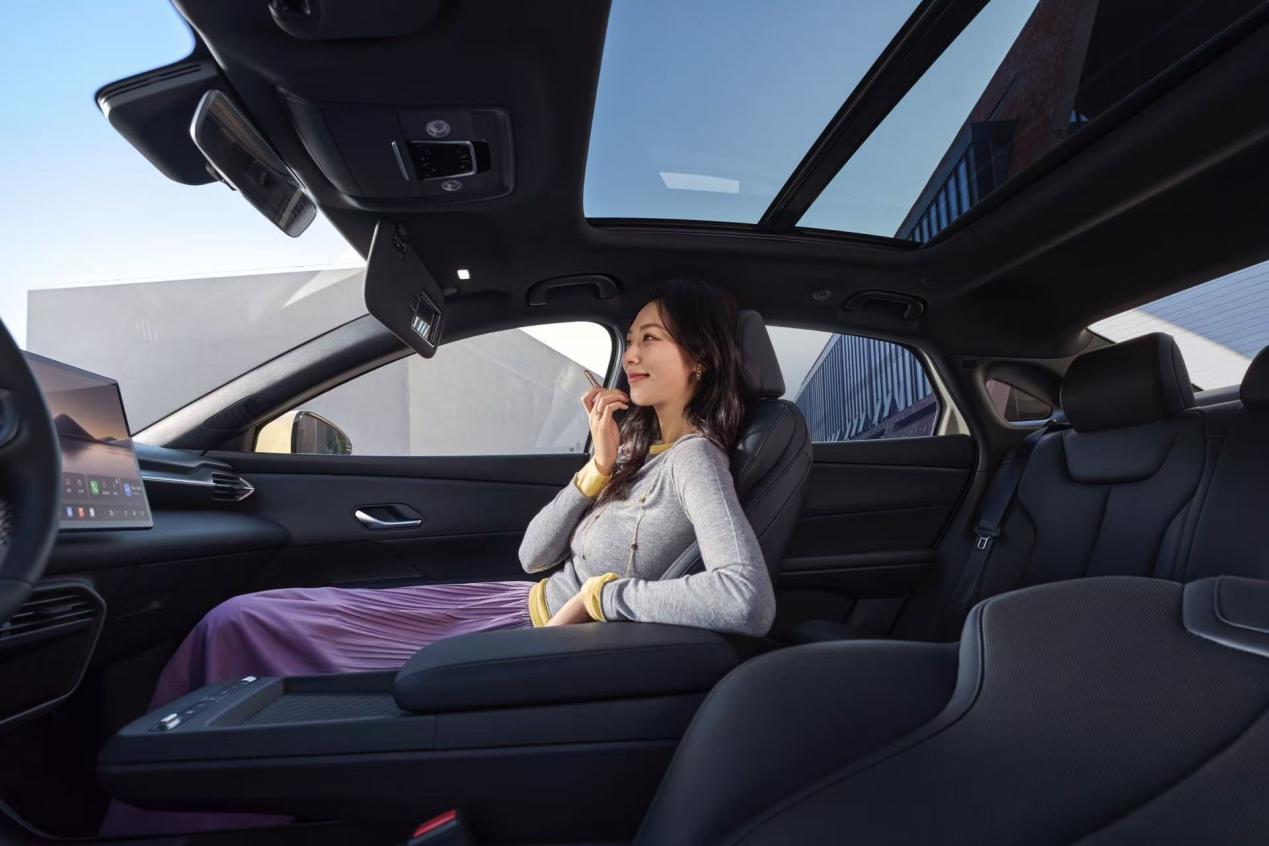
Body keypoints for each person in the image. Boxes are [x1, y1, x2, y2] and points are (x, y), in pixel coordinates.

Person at [100, 277, 775, 834]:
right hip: (510, 603)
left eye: (651, 338)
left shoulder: (695, 460)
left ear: (701, 357)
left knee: (242, 624)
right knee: (249, 619)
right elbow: (533, 554)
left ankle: (167, 819)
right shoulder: (636, 453)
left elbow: (744, 599)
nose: (630, 354)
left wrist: (602, 595)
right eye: (629, 339)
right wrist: (596, 469)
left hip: (536, 635)